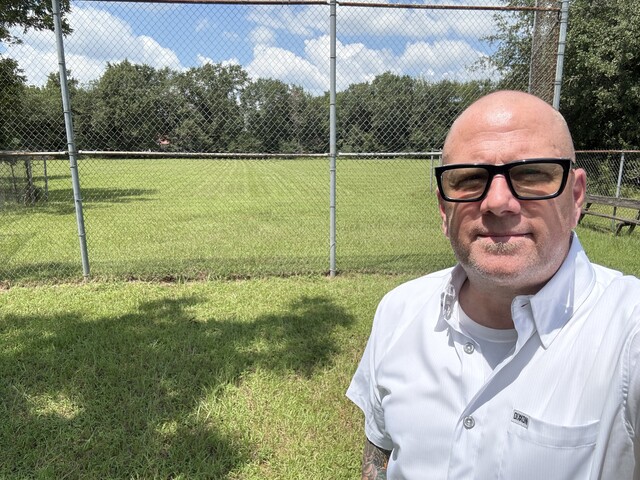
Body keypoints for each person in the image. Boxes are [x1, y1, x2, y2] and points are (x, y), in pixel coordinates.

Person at [346, 90, 640, 479]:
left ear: (576, 197)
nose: (497, 202)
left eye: (532, 174)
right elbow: (380, 453)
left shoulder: (628, 334)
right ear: (443, 209)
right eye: (470, 179)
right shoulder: (398, 311)